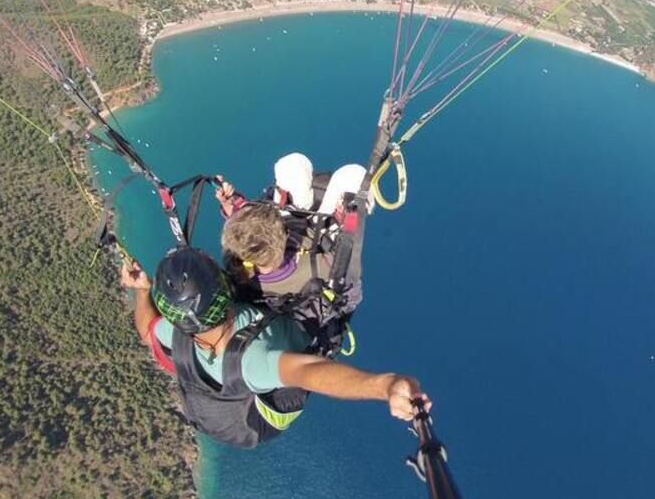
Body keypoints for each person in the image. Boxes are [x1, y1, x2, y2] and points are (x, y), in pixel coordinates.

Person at [120, 247, 428, 448]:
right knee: (314, 321)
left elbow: (147, 329)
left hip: (218, 407)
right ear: (224, 289)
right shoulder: (253, 360)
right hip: (258, 418)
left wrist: (142, 291)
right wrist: (384, 386)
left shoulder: (172, 332)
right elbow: (311, 372)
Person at [214, 152, 370, 352]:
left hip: (296, 240)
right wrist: (349, 223)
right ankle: (305, 211)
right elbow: (350, 279)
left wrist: (231, 205)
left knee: (292, 165)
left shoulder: (234, 260)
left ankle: (299, 206)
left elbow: (242, 235)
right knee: (354, 175)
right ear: (284, 236)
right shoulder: (316, 269)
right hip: (314, 240)